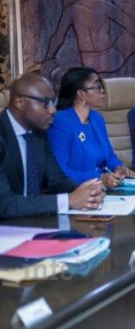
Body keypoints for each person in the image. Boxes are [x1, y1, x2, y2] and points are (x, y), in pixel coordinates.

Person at [0, 73, 105, 219]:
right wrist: (69, 200)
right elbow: (4, 204)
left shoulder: (38, 133)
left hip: (33, 221)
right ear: (19, 102)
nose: (53, 110)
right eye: (46, 102)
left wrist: (87, 193)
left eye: (53, 102)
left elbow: (56, 180)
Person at [48, 67, 135, 187]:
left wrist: (118, 167)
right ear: (81, 94)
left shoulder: (97, 118)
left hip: (104, 189)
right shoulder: (61, 122)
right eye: (97, 87)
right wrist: (99, 178)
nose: (103, 91)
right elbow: (60, 173)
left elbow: (109, 156)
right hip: (75, 191)